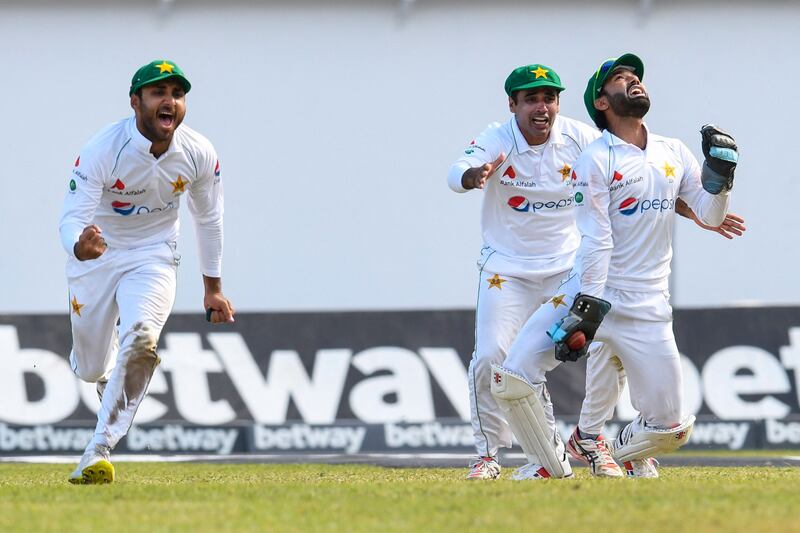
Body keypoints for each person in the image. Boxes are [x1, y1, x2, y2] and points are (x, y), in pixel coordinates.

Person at [490, 53, 737, 480]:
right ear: (602, 103)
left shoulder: (673, 151)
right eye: (621, 79)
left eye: (636, 76)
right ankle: (548, 466)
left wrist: (721, 179)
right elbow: (597, 236)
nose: (633, 81)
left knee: (673, 428)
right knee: (513, 375)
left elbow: (710, 215)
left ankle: (620, 450)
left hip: (649, 305)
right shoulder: (596, 158)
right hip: (594, 291)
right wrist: (588, 302)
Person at [59, 59, 235, 484]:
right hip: (98, 256)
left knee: (142, 341)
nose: (169, 101)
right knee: (89, 368)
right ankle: (103, 372)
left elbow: (208, 218)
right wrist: (80, 246)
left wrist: (212, 288)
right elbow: (70, 219)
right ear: (136, 102)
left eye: (177, 93)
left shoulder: (198, 152)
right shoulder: (103, 148)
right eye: (158, 93)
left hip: (155, 254)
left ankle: (97, 451)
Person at [448, 63, 622, 480]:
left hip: (568, 269)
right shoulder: (498, 137)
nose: (541, 108)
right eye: (530, 99)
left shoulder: (580, 137)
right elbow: (457, 172)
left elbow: (626, 171)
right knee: (491, 356)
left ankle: (597, 441)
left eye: (549, 98)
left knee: (609, 347)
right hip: (506, 271)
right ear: (513, 104)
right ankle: (488, 455)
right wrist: (473, 177)